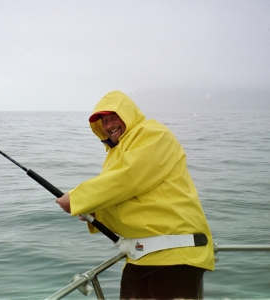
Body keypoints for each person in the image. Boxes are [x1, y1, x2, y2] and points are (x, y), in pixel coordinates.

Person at [55, 90, 215, 299]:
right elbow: (123, 196)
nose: (109, 125)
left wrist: (77, 199)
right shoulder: (116, 153)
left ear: (128, 114)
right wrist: (96, 212)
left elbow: (127, 178)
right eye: (103, 121)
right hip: (140, 258)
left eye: (113, 117)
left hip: (176, 257)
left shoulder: (152, 133)